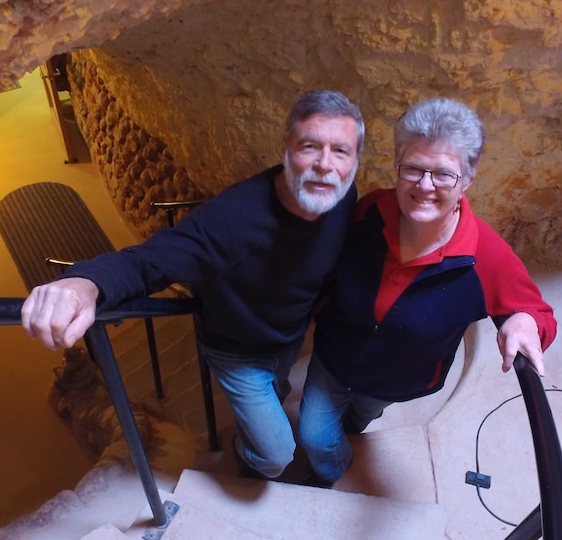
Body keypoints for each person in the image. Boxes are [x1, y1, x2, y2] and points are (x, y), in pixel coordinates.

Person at [21, 90, 365, 479]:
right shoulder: (232, 219)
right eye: (309, 146)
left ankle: (261, 422)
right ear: (286, 149)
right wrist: (85, 284)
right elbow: (149, 261)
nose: (325, 165)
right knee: (275, 455)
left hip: (287, 338)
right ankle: (247, 455)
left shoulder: (342, 198)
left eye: (341, 151)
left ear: (354, 161)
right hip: (236, 351)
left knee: (280, 392)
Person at [297, 97, 557, 486]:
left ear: (467, 180)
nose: (424, 186)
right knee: (314, 436)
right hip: (333, 360)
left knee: (361, 416)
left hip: (398, 379)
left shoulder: (484, 256)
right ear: (398, 167)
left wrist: (523, 321)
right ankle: (330, 473)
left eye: (443, 174)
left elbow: (538, 315)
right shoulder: (370, 211)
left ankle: (351, 430)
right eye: (413, 169)